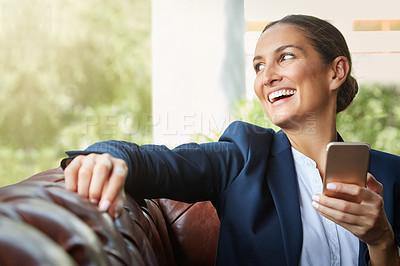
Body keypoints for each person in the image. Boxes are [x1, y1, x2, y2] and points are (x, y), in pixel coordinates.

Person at [62, 14, 400, 265]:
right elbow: (153, 162)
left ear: (336, 71)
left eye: (285, 57)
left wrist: (382, 242)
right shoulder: (243, 156)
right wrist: (102, 158)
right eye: (258, 66)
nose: (267, 77)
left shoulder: (392, 176)